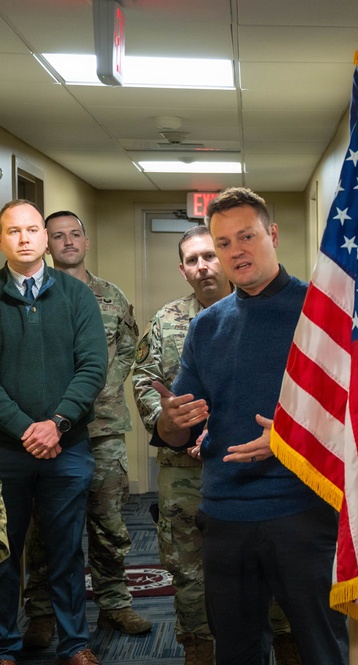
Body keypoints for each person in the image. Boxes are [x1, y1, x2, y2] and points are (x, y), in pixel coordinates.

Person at [152, 188, 349, 665]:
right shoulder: (206, 326)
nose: (236, 251)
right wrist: (171, 421)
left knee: (322, 650)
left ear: (272, 235)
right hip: (225, 515)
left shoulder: (322, 312)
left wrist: (286, 439)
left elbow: (356, 415)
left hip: (302, 511)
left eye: (247, 236)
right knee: (237, 651)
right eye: (223, 243)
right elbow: (178, 431)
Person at [131, 225, 299, 665]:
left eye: (210, 255)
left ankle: (286, 641)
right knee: (187, 568)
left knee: (271, 567)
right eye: (193, 260)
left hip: (251, 468)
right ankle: (198, 648)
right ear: (183, 270)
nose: (203, 266)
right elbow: (146, 382)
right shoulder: (167, 321)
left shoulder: (269, 311)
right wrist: (171, 422)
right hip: (184, 473)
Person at [20, 211, 150, 649]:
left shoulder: (110, 295)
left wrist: (104, 387)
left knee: (108, 522)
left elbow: (129, 347)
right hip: (50, 432)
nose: (68, 242)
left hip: (104, 428)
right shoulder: (36, 296)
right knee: (46, 527)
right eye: (58, 236)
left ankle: (115, 602)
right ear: (46, 243)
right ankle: (41, 612)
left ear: (86, 241)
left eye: (75, 234)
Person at [0, 199, 107, 665]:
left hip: (68, 446)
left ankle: (75, 644)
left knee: (66, 551)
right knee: (4, 552)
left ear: (45, 238)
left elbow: (93, 367)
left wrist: (56, 424)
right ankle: (4, 645)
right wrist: (26, 429)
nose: (24, 238)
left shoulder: (76, 295)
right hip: (6, 450)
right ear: (2, 240)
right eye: (13, 231)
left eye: (31, 230)